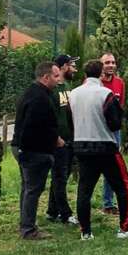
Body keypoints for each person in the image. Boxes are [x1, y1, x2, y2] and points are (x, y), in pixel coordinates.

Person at [70, 59, 128, 239]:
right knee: (124, 185)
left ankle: (86, 232)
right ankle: (125, 228)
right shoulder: (106, 93)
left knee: (84, 190)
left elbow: (70, 121)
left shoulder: (74, 94)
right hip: (104, 146)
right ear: (101, 73)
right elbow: (115, 124)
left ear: (85, 74)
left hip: (81, 145)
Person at [11, 61, 62, 241]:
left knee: (27, 189)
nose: (59, 79)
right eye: (56, 76)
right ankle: (28, 229)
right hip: (33, 152)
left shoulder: (32, 92)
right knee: (32, 189)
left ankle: (26, 223)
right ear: (45, 77)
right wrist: (53, 141)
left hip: (24, 149)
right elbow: (34, 127)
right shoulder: (39, 98)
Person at [46, 54, 79, 226]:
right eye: (72, 65)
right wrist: (55, 137)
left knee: (61, 177)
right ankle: (65, 214)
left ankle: (52, 211)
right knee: (59, 177)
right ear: (64, 66)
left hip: (69, 139)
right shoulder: (52, 90)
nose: (75, 69)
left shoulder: (67, 86)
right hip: (57, 141)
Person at [98, 53, 126, 214]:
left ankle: (108, 203)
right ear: (101, 65)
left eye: (113, 62)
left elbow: (120, 106)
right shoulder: (94, 83)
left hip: (114, 131)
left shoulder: (119, 83)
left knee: (113, 166)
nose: (111, 65)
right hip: (97, 130)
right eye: (107, 62)